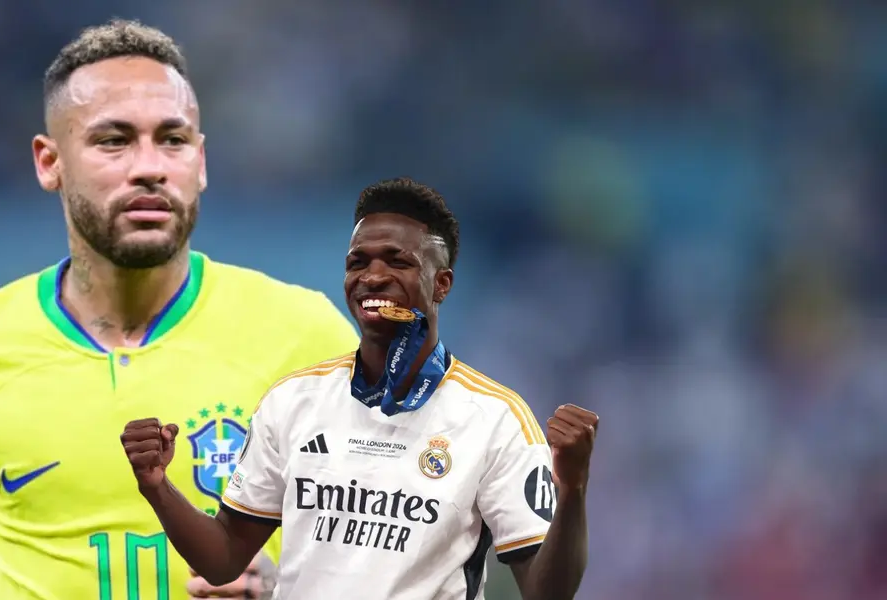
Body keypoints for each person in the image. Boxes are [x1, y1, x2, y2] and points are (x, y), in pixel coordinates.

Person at [0, 19, 358, 600]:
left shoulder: (305, 338)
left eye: (172, 140)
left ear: (199, 162)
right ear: (50, 163)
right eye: (113, 141)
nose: (149, 166)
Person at [121, 177, 599, 599]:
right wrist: (158, 487)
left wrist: (573, 488)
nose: (372, 276)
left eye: (398, 262)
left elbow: (545, 591)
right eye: (358, 261)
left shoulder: (495, 419)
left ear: (442, 284)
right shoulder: (293, 401)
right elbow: (222, 558)